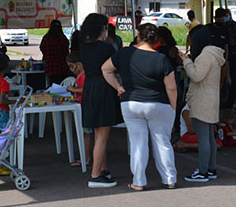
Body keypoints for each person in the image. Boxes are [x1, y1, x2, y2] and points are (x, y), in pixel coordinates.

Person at [102, 23, 178, 190]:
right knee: (162, 142)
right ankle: (169, 179)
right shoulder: (162, 59)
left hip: (131, 103)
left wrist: (118, 86)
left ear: (138, 36)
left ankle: (138, 181)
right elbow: (171, 87)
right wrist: (173, 106)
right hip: (158, 103)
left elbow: (106, 69)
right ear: (156, 40)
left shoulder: (123, 54)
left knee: (138, 142)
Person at [178, 25, 225, 183]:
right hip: (211, 99)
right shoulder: (215, 54)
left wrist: (186, 62)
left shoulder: (205, 56)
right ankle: (211, 169)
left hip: (201, 100)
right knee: (209, 137)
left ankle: (203, 172)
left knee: (203, 138)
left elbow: (196, 76)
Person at [78, 13, 120, 187]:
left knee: (98, 132)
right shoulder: (107, 49)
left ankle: (103, 169)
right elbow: (114, 69)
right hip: (103, 89)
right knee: (103, 133)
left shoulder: (82, 47)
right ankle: (95, 175)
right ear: (102, 29)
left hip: (89, 87)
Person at [65, 52, 90, 168]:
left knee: (85, 134)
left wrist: (73, 89)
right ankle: (84, 157)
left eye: (71, 66)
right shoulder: (79, 76)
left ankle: (85, 158)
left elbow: (85, 90)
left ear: (79, 64)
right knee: (82, 133)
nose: (71, 69)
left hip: (84, 107)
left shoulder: (84, 76)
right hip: (79, 106)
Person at [39, 20, 70, 85]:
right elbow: (66, 52)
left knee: (53, 85)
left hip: (50, 67)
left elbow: (42, 48)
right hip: (62, 67)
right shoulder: (62, 38)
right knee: (62, 87)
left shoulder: (46, 38)